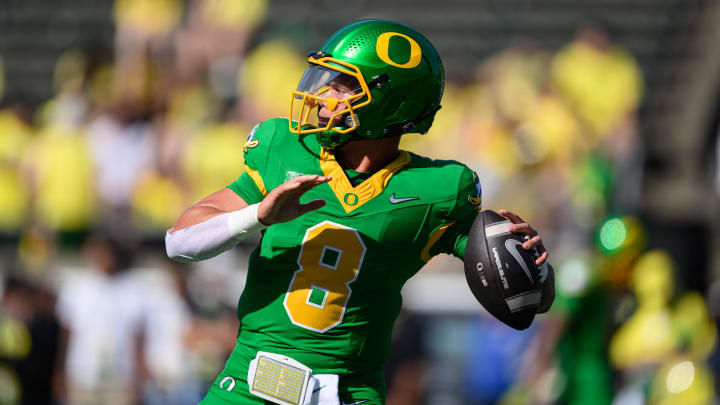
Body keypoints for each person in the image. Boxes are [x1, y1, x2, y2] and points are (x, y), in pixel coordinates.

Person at [166, 19, 553, 405]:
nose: (323, 95)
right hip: (249, 384)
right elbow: (179, 242)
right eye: (327, 79)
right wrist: (257, 216)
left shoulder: (438, 191)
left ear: (391, 102)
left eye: (344, 85)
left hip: (348, 395)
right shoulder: (283, 148)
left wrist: (533, 263)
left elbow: (527, 296)